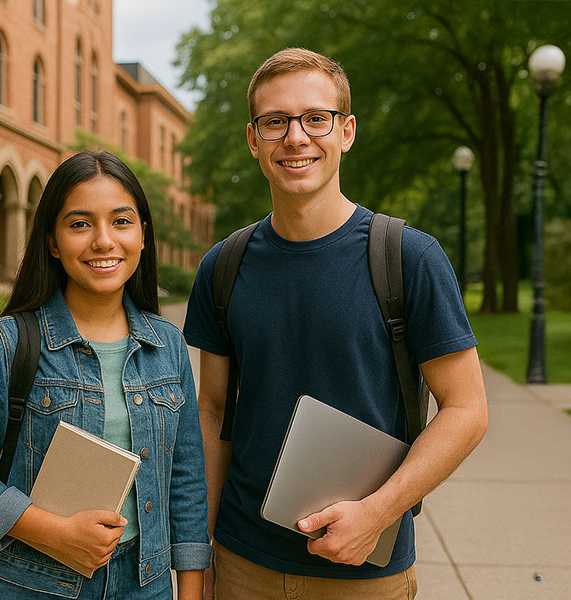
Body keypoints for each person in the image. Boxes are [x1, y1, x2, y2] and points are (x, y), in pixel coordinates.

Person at [183, 48, 489, 599]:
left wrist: (377, 513)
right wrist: (199, 550)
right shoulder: (222, 267)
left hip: (364, 569)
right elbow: (211, 411)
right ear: (253, 140)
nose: (295, 137)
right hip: (240, 562)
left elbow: (467, 411)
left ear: (345, 131)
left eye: (315, 118)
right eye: (275, 121)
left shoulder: (409, 258)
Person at [0, 150, 210, 599]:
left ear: (143, 235)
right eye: (80, 224)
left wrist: (191, 591)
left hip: (146, 586)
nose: (103, 241)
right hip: (32, 584)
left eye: (121, 221)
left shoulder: (167, 346)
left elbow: (187, 480)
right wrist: (55, 532)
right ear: (53, 242)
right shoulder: (6, 343)